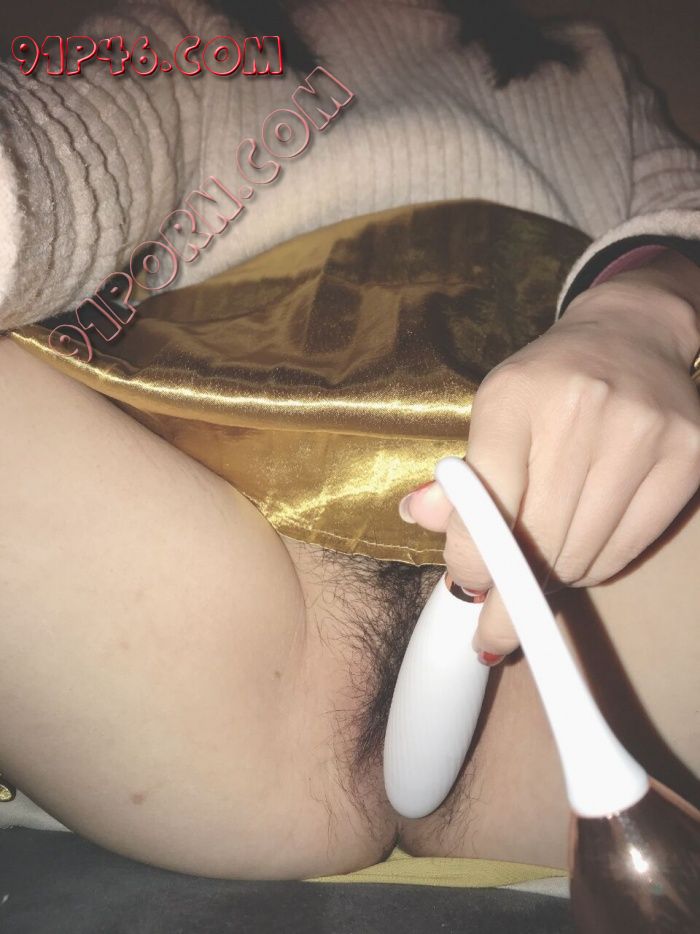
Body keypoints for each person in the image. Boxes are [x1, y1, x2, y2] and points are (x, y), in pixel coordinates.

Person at [0, 0, 698, 881]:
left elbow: (683, 207)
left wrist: (642, 312)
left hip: (592, 598)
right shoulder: (198, 26)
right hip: (218, 583)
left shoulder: (592, 63)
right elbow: (72, 146)